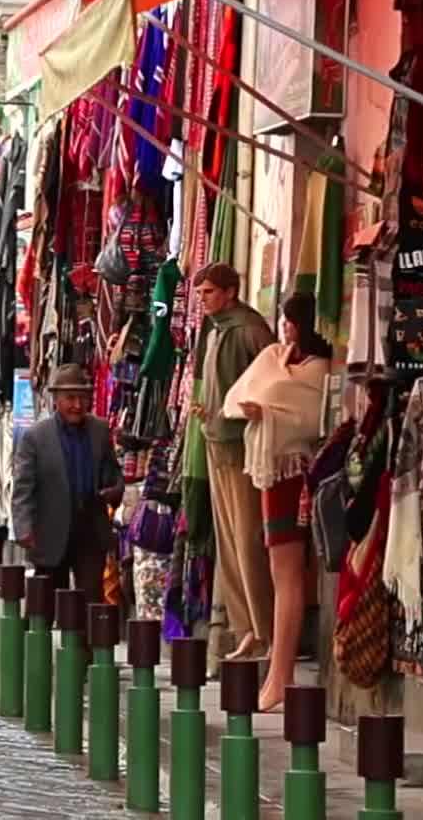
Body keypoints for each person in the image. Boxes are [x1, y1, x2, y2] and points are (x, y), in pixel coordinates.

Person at [229, 292, 334, 709]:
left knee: (287, 574)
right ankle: (278, 666)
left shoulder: (319, 370)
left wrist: (268, 410)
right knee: (277, 572)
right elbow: (238, 396)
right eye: (284, 321)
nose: (286, 328)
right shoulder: (275, 356)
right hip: (269, 473)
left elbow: (308, 415)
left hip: (295, 474)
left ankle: (281, 673)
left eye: (292, 322)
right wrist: (263, 408)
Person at [191, 262, 278, 661]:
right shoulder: (216, 329)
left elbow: (274, 378)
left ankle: (263, 629)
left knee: (247, 541)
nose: (202, 299)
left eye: (208, 292)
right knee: (228, 545)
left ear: (229, 291)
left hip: (241, 447)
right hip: (215, 440)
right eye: (200, 293)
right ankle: (245, 628)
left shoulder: (249, 329)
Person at [11, 364, 124, 597]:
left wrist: (115, 491)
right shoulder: (36, 437)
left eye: (83, 398)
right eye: (70, 398)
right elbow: (23, 489)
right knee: (46, 604)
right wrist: (23, 528)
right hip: (50, 532)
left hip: (90, 530)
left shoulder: (100, 430)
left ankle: (86, 635)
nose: (77, 405)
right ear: (55, 399)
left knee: (90, 600)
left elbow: (113, 473)